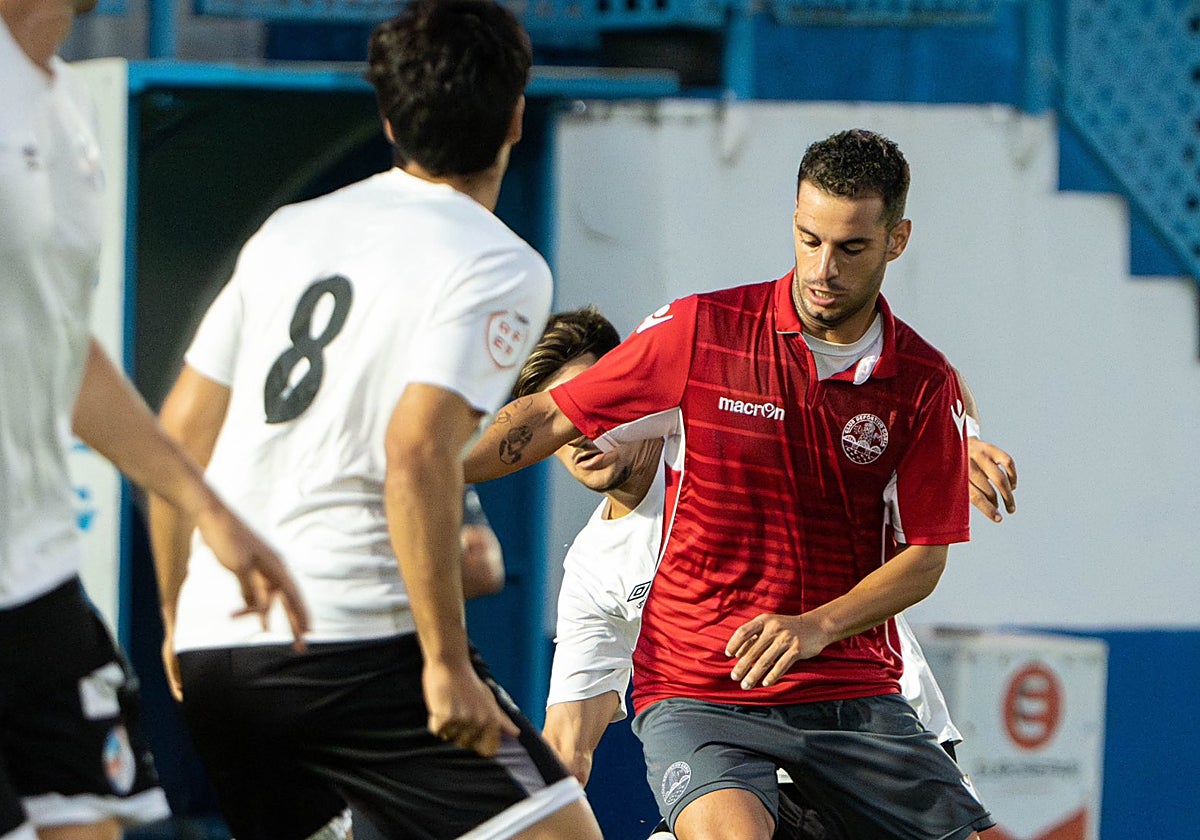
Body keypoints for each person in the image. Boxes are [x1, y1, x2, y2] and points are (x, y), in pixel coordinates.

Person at [146, 1, 603, 838]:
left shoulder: (290, 230)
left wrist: (182, 621)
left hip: (222, 648)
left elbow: (176, 438)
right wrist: (442, 663)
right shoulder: (498, 261)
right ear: (515, 114)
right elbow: (417, 449)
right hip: (354, 643)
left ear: (389, 118)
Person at [466, 129, 997, 839]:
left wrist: (969, 443)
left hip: (867, 707)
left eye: (850, 248)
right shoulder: (596, 562)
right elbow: (567, 742)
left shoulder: (905, 387)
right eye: (809, 240)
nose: (824, 268)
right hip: (713, 717)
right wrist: (413, 473)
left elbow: (921, 474)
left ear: (895, 241)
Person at [515, 307, 1016, 839]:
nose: (577, 432)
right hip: (744, 774)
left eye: (586, 404)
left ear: (625, 386)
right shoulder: (594, 566)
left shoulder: (736, 442)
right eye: (561, 421)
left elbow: (924, 380)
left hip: (877, 731)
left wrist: (952, 440)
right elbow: (567, 744)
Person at [0, 2, 309, 840]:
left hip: (36, 579)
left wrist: (207, 508)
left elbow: (66, 346)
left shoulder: (64, 108)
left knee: (94, 826)